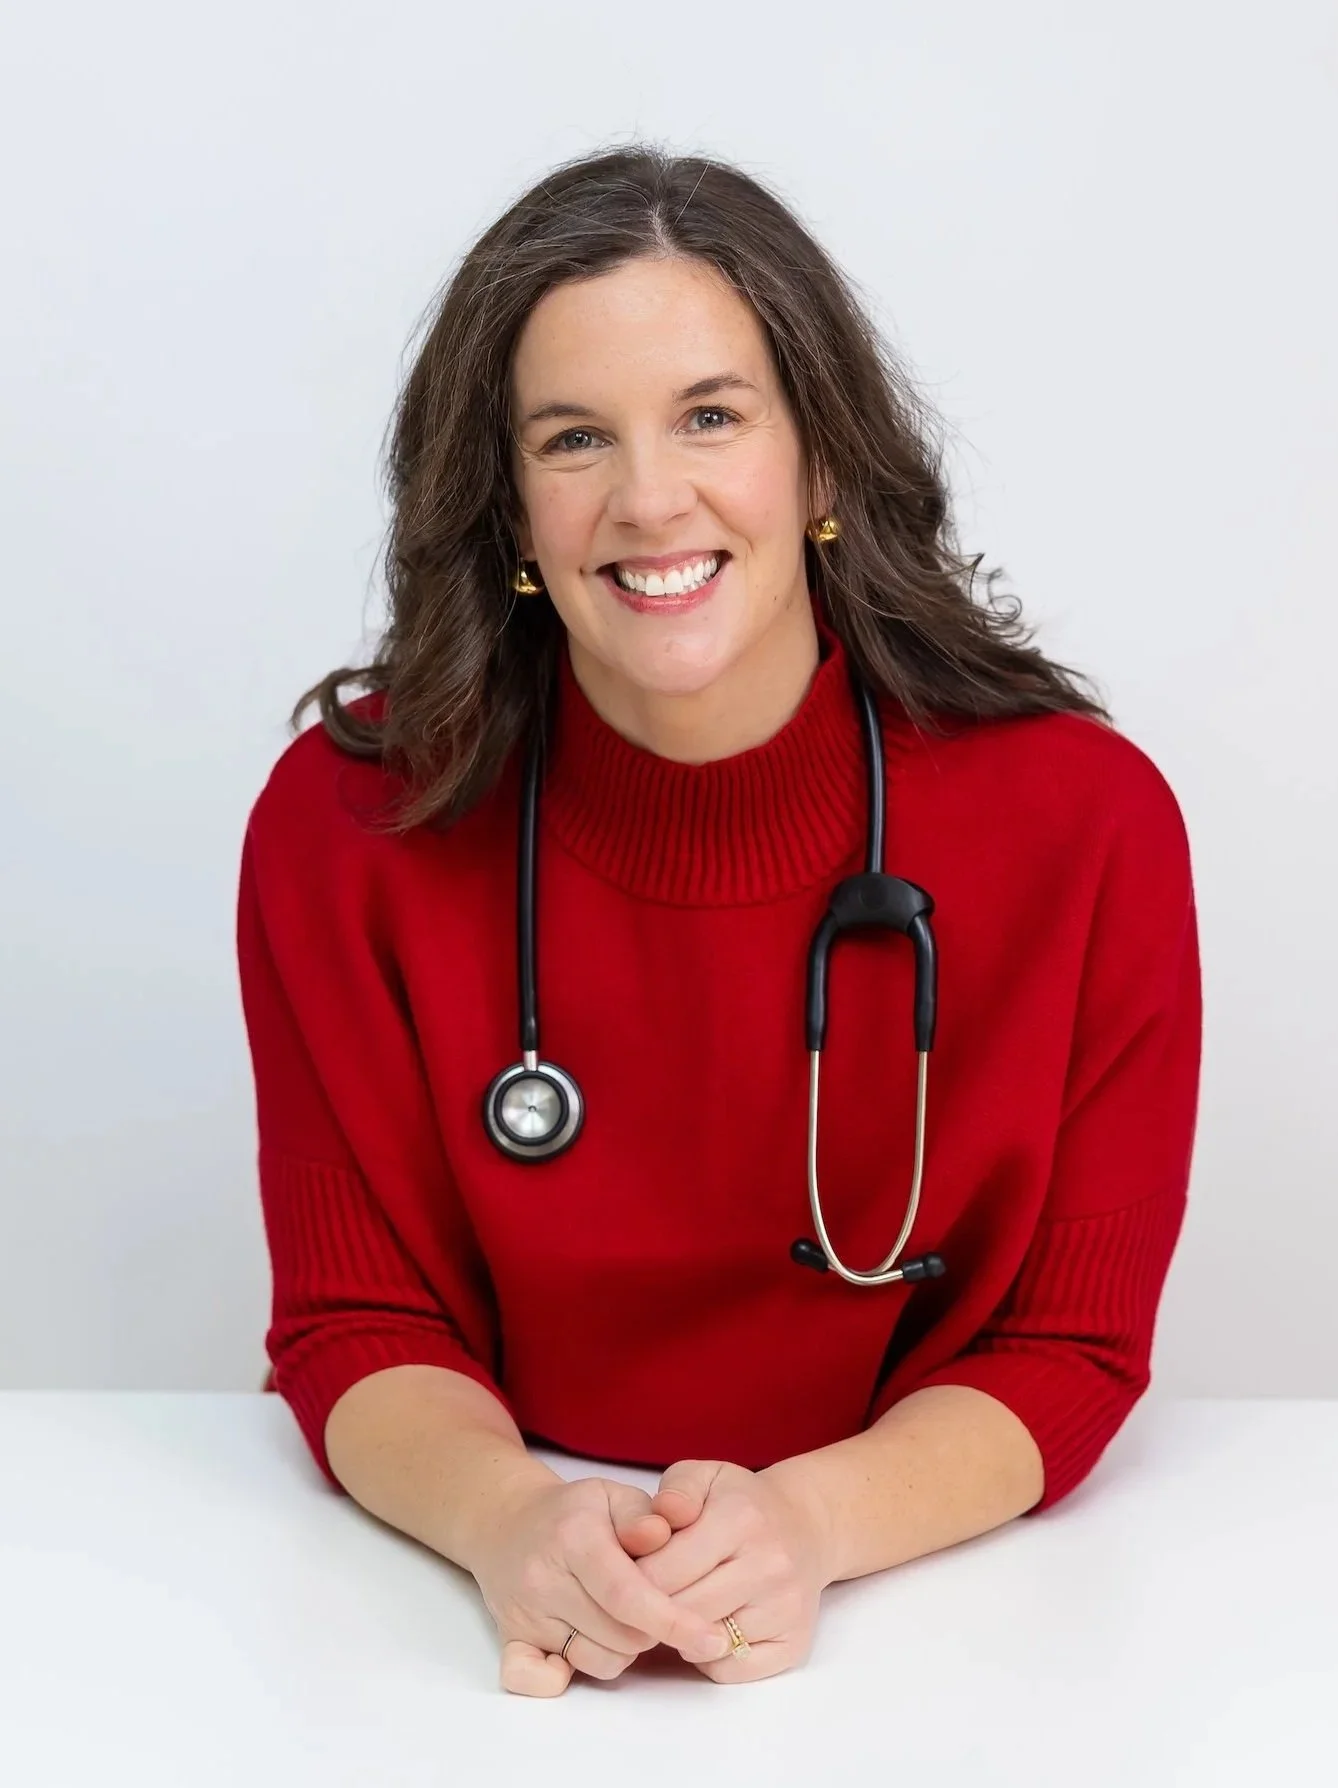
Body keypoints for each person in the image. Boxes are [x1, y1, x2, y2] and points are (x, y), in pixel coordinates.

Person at [235, 143, 1202, 1699]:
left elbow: (1069, 1347)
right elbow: (354, 1316)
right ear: (507, 509)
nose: (646, 500)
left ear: (820, 463)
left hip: (963, 1641)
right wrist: (510, 1526)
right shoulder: (347, 831)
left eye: (709, 416)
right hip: (450, 1645)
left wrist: (810, 1525)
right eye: (571, 438)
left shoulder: (1085, 828)